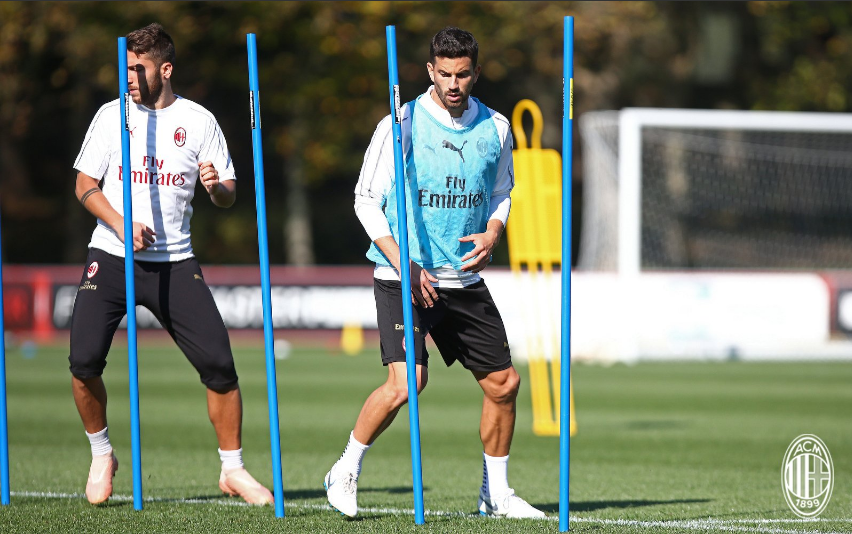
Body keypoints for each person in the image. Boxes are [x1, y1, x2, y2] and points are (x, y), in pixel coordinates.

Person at [324, 27, 545, 519]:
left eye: (462, 74)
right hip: (403, 274)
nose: (453, 84)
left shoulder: (496, 128)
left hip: (462, 278)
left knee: (504, 384)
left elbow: (501, 192)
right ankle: (345, 469)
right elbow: (365, 201)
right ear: (430, 71)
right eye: (444, 74)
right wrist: (403, 262)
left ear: (476, 73)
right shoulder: (399, 125)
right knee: (408, 383)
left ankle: (495, 494)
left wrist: (493, 232)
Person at [69, 23, 273, 506]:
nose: (129, 78)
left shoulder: (199, 121)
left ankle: (232, 469)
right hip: (112, 255)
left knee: (219, 364)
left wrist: (216, 188)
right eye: (125, 69)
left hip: (174, 261)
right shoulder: (111, 116)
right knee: (83, 361)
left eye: (137, 69)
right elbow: (84, 185)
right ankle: (101, 454)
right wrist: (121, 223)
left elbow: (228, 193)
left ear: (165, 69)